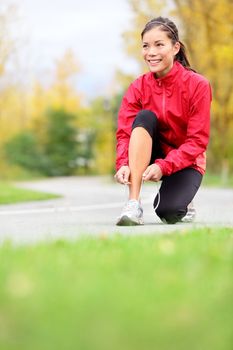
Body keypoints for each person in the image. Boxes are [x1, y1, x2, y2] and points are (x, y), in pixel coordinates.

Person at [114, 16, 212, 226]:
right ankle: (133, 204)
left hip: (186, 160)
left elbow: (197, 141)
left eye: (159, 45)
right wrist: (122, 163)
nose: (151, 53)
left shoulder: (198, 85)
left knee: (169, 212)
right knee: (144, 117)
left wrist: (165, 167)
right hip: (152, 150)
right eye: (146, 46)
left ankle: (184, 200)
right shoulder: (138, 87)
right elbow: (124, 133)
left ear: (175, 47)